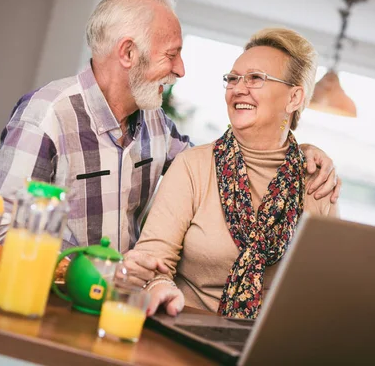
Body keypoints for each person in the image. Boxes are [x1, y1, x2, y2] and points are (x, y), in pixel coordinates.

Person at [0, 0, 339, 287]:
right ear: (128, 53)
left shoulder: (154, 124)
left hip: (116, 304)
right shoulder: (47, 114)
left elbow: (219, 162)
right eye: (171, 55)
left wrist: (295, 149)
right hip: (50, 298)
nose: (181, 70)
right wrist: (99, 271)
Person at [131, 27, 338, 319]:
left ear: (294, 98)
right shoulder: (193, 166)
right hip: (183, 329)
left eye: (256, 78)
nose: (238, 88)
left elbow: (324, 289)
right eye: (232, 79)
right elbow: (150, 261)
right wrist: (161, 285)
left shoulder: (317, 183)